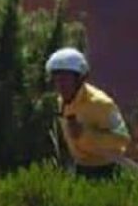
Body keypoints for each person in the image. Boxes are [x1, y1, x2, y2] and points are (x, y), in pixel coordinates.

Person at [47, 47, 131, 180]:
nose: (60, 86)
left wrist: (85, 134)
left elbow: (122, 139)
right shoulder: (62, 101)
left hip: (107, 171)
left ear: (79, 79)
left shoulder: (101, 103)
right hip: (80, 169)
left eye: (65, 80)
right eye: (56, 80)